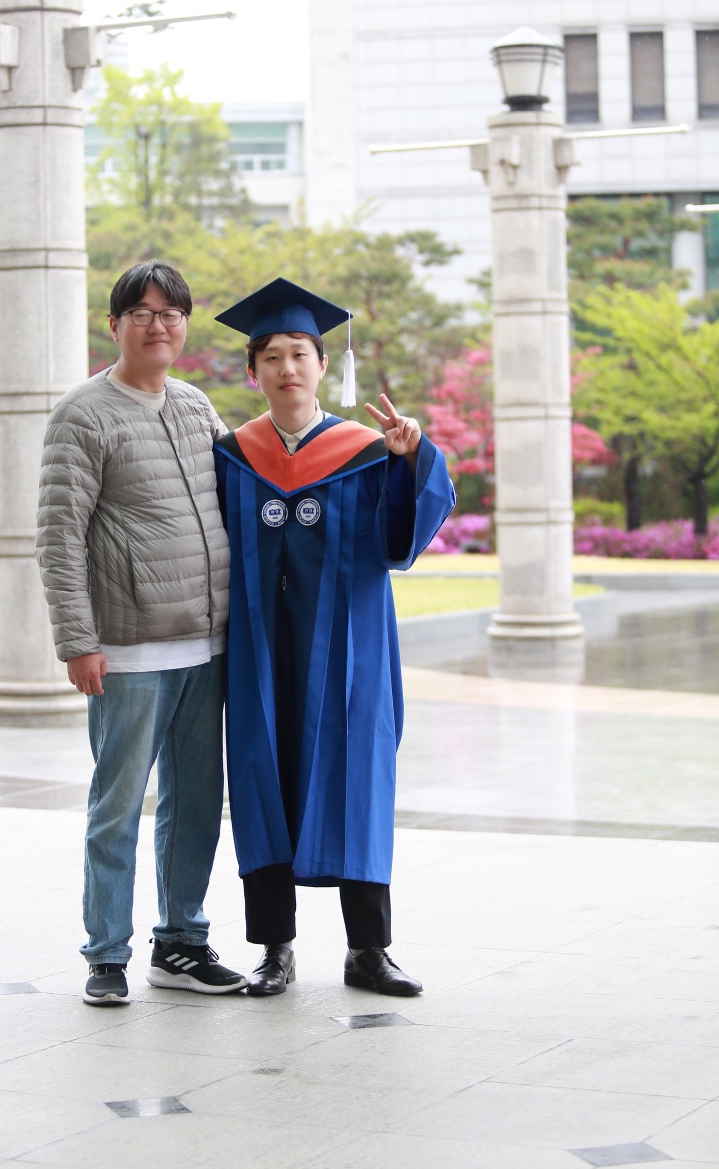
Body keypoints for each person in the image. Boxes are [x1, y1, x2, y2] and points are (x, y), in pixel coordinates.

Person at [213, 278, 455, 997]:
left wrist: (410, 460)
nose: (287, 368)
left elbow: (398, 543)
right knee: (262, 777)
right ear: (252, 371)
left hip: (351, 649)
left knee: (357, 776)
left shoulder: (367, 451)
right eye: (271, 357)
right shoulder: (231, 456)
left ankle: (368, 951)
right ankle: (274, 949)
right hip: (261, 651)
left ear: (323, 365)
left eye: (300, 354)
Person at [36, 260, 246, 1005]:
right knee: (118, 807)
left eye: (172, 314)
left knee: (196, 805)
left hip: (208, 645)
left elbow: (244, 487)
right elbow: (58, 534)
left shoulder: (194, 404)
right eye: (143, 313)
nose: (159, 325)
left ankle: (181, 942)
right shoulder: (83, 413)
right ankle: (105, 954)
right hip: (127, 649)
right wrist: (77, 641)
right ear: (115, 325)